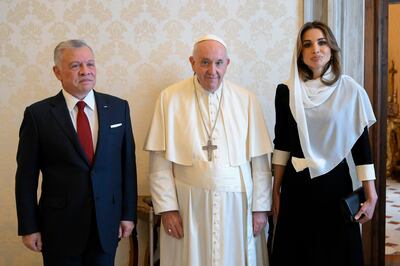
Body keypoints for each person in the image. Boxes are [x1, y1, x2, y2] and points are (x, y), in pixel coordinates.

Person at [144, 34, 273, 266]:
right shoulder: (169, 98)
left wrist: (260, 209)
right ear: (192, 62)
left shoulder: (247, 100)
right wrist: (167, 209)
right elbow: (159, 163)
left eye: (218, 63)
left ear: (227, 64)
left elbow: (261, 163)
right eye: (204, 62)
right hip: (188, 204)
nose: (212, 70)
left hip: (238, 206)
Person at [15, 39, 137, 266]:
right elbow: (26, 178)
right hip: (59, 227)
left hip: (106, 224)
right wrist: (29, 227)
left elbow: (127, 166)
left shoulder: (119, 108)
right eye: (75, 66)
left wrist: (128, 214)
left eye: (90, 64)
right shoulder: (38, 115)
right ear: (57, 72)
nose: (85, 71)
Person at [270, 21, 378, 266]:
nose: (315, 49)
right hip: (296, 187)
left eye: (321, 42)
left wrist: (371, 195)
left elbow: (362, 149)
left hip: (335, 186)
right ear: (300, 53)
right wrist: (275, 190)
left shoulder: (350, 90)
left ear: (331, 48)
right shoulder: (286, 91)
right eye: (307, 44)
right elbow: (282, 145)